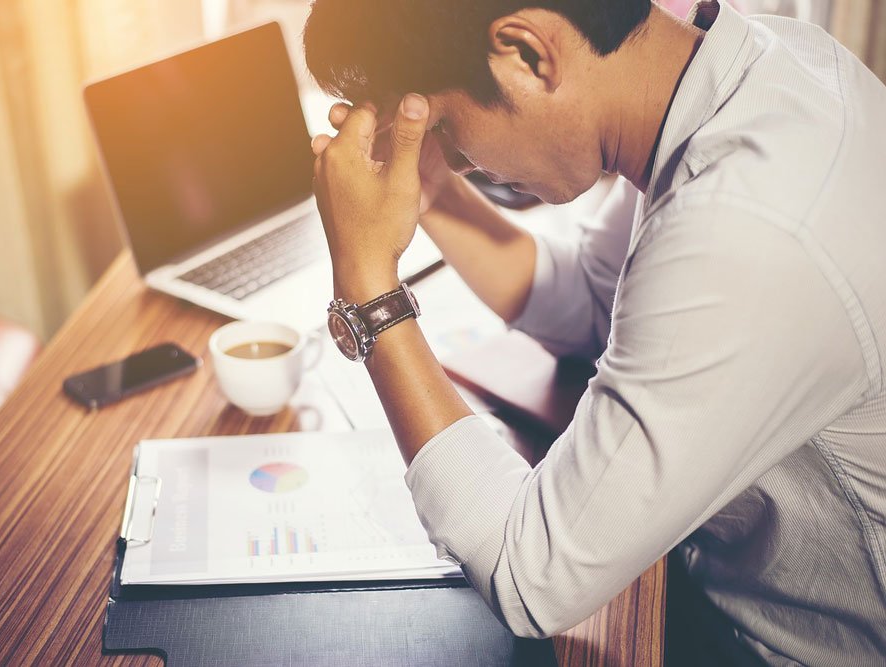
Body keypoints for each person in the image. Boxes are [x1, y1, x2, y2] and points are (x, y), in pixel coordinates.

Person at [304, 0, 886, 663]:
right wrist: (431, 189)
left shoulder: (747, 225)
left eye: (443, 126)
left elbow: (530, 575)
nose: (457, 158)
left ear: (528, 53)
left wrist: (367, 285)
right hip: (708, 566)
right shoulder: (756, 69)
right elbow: (588, 299)